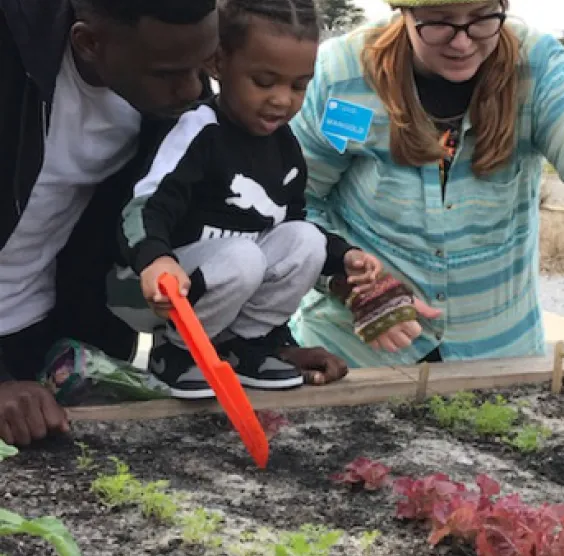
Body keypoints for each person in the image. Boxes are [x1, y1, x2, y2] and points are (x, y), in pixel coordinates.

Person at [288, 0, 564, 368]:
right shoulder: (344, 76)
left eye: (483, 17)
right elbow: (294, 200)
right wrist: (348, 281)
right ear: (404, 12)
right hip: (355, 356)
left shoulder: (535, 67)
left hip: (496, 359)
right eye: (439, 23)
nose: (463, 41)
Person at [0, 0, 344, 448]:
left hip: (51, 333)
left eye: (202, 67)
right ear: (89, 43)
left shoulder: (175, 103)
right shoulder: (15, 62)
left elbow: (225, 230)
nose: (192, 90)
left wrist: (269, 345)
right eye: (168, 73)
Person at [107, 0, 386, 399]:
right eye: (264, 81)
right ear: (218, 63)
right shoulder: (197, 129)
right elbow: (144, 205)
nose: (282, 100)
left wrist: (344, 258)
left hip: (230, 282)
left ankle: (247, 345)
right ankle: (176, 354)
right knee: (243, 256)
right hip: (156, 285)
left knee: (306, 239)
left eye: (298, 85)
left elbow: (291, 225)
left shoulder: (285, 146)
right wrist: (155, 258)